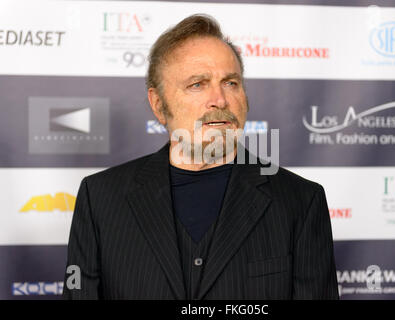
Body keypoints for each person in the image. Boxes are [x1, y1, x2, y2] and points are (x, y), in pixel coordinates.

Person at [63, 14, 338, 300]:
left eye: (231, 82)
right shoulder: (100, 198)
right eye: (198, 84)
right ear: (158, 104)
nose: (219, 100)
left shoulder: (301, 201)